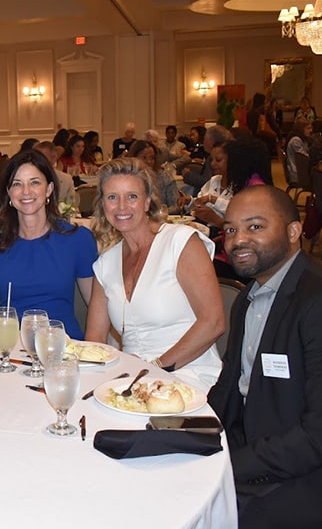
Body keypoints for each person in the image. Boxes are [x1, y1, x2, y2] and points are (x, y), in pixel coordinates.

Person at [209, 185, 322, 529]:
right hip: (267, 456)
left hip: (320, 486)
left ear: (294, 231)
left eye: (255, 226)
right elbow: (229, 393)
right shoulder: (251, 297)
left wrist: (227, 464)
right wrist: (181, 437)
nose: (238, 241)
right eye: (231, 230)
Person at [85, 158, 224, 386]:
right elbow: (95, 341)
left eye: (132, 196)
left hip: (189, 374)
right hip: (132, 379)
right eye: (112, 197)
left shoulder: (180, 242)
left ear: (148, 201)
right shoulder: (105, 264)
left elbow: (214, 322)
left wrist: (155, 368)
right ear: (102, 205)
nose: (121, 206)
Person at [0, 150, 96, 337]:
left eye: (35, 182)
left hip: (64, 347)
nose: (26, 191)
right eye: (17, 184)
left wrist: (92, 350)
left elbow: (95, 306)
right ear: (9, 192)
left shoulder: (78, 239)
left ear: (49, 189)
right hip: (9, 346)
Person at [128, 140, 178, 210]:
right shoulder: (126, 179)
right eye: (144, 158)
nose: (149, 161)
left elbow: (176, 205)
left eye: (152, 158)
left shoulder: (164, 177)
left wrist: (159, 214)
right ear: (134, 158)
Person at [32, 141, 76, 208]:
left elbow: (71, 207)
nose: (39, 161)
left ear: (54, 157)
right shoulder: (27, 180)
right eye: (36, 158)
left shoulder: (66, 180)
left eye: (43, 157)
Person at [282, 121, 310, 187]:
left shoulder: (300, 139)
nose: (311, 130)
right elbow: (304, 158)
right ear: (301, 129)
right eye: (308, 128)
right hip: (297, 174)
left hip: (298, 171)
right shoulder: (295, 140)